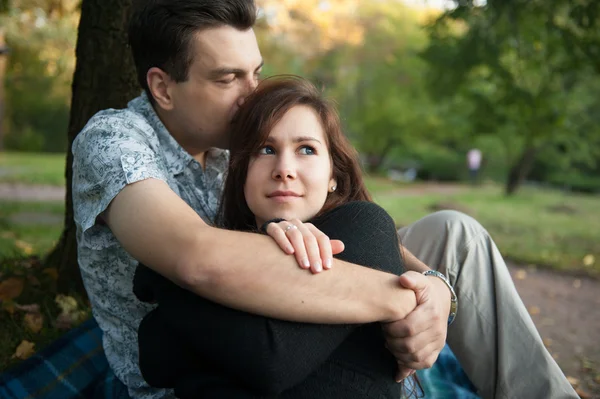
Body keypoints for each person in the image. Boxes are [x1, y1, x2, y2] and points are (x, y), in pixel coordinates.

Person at [70, 1, 577, 398]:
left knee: (454, 234)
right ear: (162, 86)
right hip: (210, 359)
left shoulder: (232, 142)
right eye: (228, 78)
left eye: (256, 71)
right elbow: (199, 261)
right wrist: (399, 296)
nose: (252, 94)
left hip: (293, 283)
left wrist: (437, 287)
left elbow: (355, 228)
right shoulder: (115, 141)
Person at [133, 75, 422, 398]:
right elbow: (155, 356)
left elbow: (273, 361)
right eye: (266, 149)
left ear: (333, 176)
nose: (284, 168)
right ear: (241, 173)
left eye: (306, 150)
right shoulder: (225, 253)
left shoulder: (366, 226)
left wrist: (164, 276)